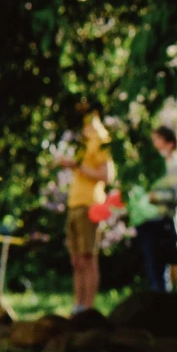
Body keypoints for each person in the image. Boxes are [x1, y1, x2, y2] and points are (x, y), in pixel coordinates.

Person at [57, 101, 115, 312]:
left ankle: (88, 308)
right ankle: (77, 306)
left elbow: (107, 175)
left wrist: (76, 166)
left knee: (88, 259)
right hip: (74, 204)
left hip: (90, 205)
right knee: (77, 261)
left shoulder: (100, 137)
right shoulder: (82, 137)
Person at [131, 125, 177, 293]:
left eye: (157, 139)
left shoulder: (175, 166)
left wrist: (158, 198)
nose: (153, 143)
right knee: (154, 271)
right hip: (147, 222)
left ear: (169, 143)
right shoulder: (151, 165)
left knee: (163, 268)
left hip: (163, 223)